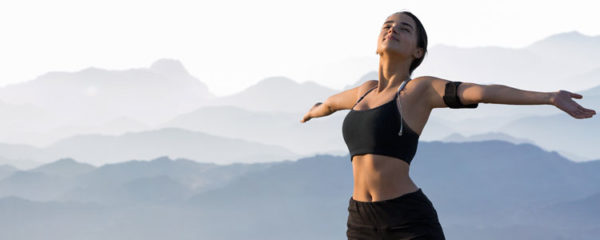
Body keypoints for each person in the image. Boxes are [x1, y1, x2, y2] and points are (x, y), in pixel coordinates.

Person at [299, 11, 596, 240]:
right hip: (360, 219)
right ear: (378, 42)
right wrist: (314, 112)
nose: (393, 29)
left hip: (407, 219)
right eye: (388, 25)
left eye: (405, 28)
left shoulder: (419, 90)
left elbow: (484, 92)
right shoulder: (363, 90)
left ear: (418, 52)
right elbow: (329, 104)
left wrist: (549, 97)